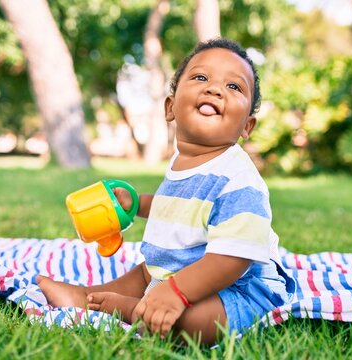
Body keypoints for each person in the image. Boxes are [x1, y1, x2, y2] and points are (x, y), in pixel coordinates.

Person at [37, 38, 296, 345]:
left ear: (246, 127)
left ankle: (135, 312)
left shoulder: (238, 177)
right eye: (201, 77)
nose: (215, 89)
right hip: (182, 271)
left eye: (234, 87)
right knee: (146, 273)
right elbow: (180, 206)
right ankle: (88, 296)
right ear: (170, 107)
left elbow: (233, 258)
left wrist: (176, 292)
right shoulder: (183, 162)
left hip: (240, 287)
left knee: (197, 324)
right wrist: (136, 204)